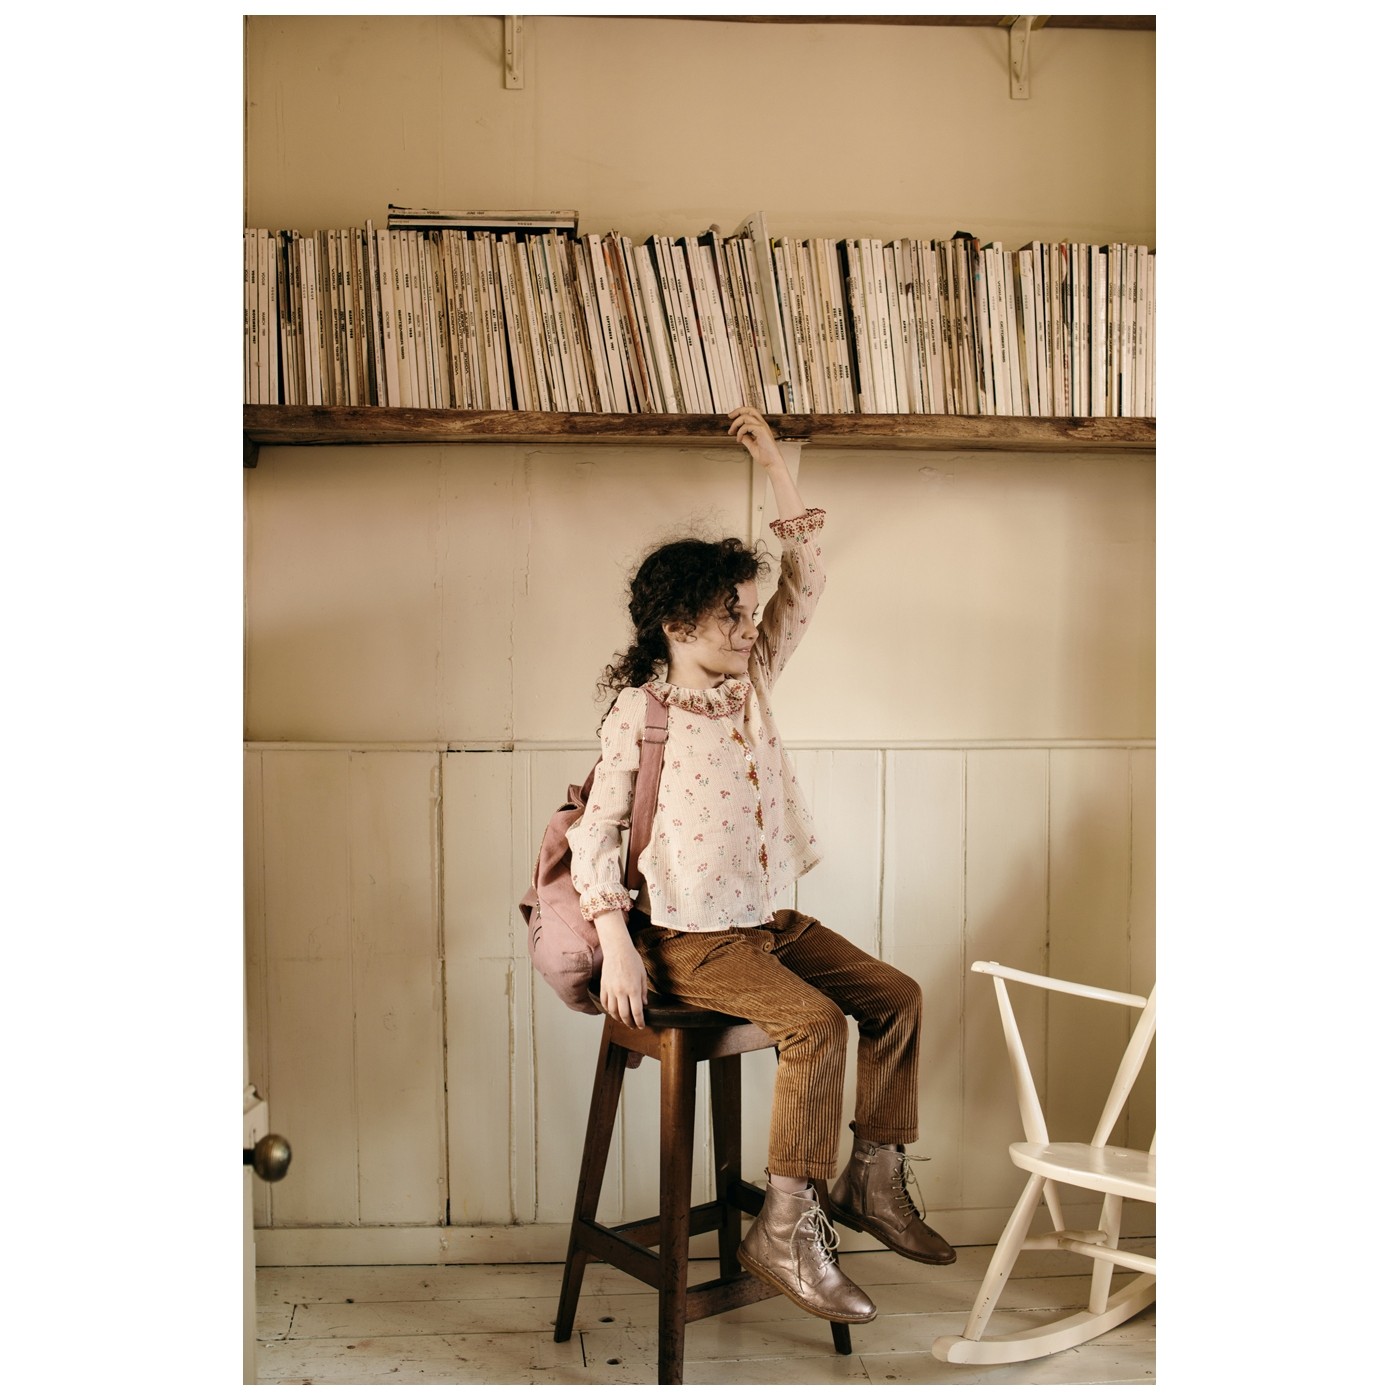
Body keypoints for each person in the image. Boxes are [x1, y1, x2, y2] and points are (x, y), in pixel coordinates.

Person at [566, 405, 954, 1325]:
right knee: (814, 1024)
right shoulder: (641, 715)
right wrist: (616, 945)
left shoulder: (753, 682)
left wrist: (779, 470)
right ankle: (785, 1225)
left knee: (895, 997)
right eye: (730, 614)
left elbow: (806, 579)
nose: (749, 626)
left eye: (749, 613)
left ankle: (872, 1177)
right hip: (690, 939)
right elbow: (596, 833)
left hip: (766, 922)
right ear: (676, 622)